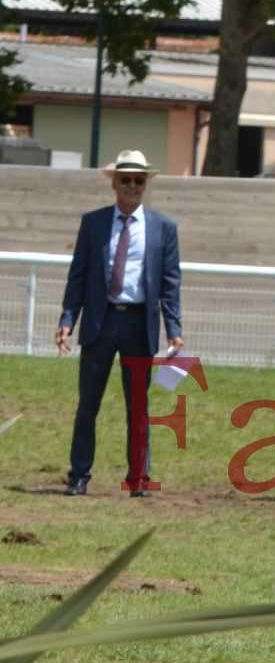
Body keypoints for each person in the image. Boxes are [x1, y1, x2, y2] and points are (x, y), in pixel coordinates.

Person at [55, 149, 185, 497]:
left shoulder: (164, 229)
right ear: (114, 183)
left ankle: (138, 478)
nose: (131, 186)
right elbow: (77, 275)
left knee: (138, 407)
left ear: (145, 184)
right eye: (125, 179)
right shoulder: (93, 223)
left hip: (139, 325)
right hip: (100, 322)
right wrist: (68, 318)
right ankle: (79, 475)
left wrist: (175, 328)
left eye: (138, 180)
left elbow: (171, 283)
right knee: (88, 405)